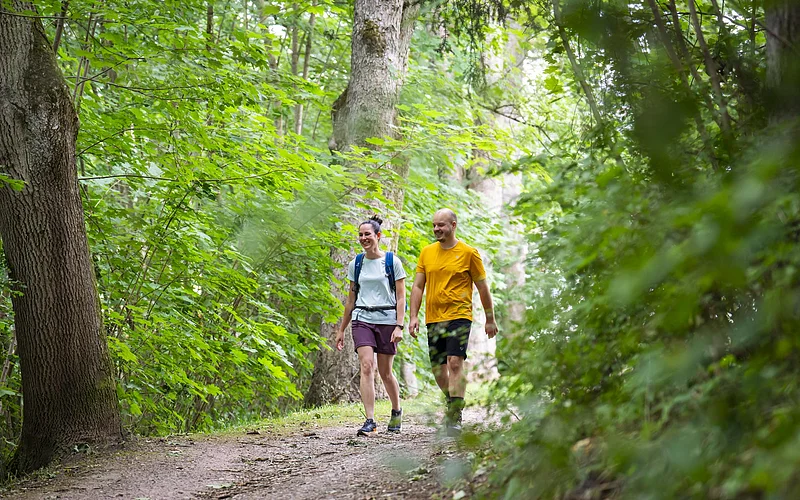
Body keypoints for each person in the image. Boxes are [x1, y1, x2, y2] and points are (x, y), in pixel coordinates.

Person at [409, 208, 497, 436]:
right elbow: (418, 286)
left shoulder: (469, 253)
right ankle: (452, 401)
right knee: (438, 370)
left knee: (455, 362)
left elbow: (482, 287)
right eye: (434, 225)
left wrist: (490, 319)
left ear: (453, 225)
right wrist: (412, 316)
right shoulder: (427, 253)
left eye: (441, 225)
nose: (437, 229)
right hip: (433, 317)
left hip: (459, 315)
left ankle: (456, 413)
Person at [335, 215, 407, 436]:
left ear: (378, 236)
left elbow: (402, 297)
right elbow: (350, 299)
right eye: (360, 235)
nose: (363, 238)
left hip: (386, 321)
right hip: (362, 319)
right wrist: (341, 329)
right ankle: (370, 421)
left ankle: (396, 410)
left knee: (385, 373)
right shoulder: (355, 264)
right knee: (367, 366)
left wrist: (399, 326)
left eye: (367, 234)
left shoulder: (392, 262)